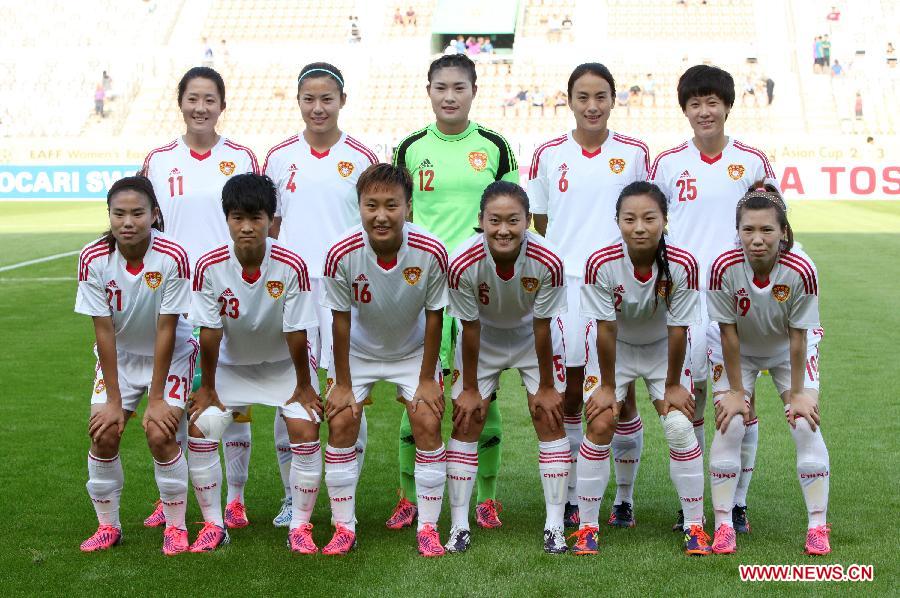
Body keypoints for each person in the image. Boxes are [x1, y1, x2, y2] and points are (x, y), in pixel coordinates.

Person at [391, 54, 519, 530]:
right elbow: (395, 217)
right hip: (420, 288)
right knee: (417, 394)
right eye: (441, 87)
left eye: (459, 87)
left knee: (481, 395)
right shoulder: (408, 147)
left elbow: (511, 217)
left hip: (477, 289)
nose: (450, 96)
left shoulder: (495, 146)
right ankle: (409, 496)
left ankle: (485, 497)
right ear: (428, 91)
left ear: (473, 91)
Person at [649, 64, 778, 533]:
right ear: (684, 109)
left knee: (741, 402)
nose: (704, 111)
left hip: (736, 300)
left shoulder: (754, 162)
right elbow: (650, 229)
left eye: (712, 102)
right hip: (683, 300)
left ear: (727, 106)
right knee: (691, 405)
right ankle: (694, 505)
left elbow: (772, 230)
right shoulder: (666, 164)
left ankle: (736, 502)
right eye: (695, 103)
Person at [528, 63, 650, 529]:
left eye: (601, 96)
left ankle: (623, 497)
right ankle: (580, 494)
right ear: (570, 100)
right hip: (566, 288)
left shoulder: (636, 153)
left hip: (619, 285)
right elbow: (541, 222)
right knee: (572, 391)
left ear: (613, 100)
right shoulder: (547, 153)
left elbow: (648, 218)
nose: (592, 105)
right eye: (583, 96)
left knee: (622, 393)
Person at [141, 66, 259, 531]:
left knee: (231, 399)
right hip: (172, 298)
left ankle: (235, 498)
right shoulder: (158, 160)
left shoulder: (242, 156)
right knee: (176, 399)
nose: (200, 108)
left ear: (222, 106)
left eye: (210, 99)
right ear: (181, 102)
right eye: (193, 98)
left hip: (227, 295)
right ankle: (170, 495)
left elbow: (258, 225)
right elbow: (148, 228)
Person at [263, 62, 377, 527]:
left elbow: (375, 227)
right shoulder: (277, 157)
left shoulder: (364, 157)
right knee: (291, 392)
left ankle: (341, 496)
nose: (317, 107)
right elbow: (270, 227)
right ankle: (294, 495)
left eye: (326, 98)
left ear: (342, 101)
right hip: (292, 294)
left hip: (345, 294)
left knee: (348, 391)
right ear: (298, 102)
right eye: (309, 99)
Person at [320, 163, 449, 556]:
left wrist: (428, 378)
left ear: (408, 207)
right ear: (358, 207)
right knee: (341, 421)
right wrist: (342, 384)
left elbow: (435, 316)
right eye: (370, 205)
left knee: (427, 420)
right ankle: (344, 527)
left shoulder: (431, 250)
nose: (380, 215)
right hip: (357, 352)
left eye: (391, 205)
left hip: (411, 353)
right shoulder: (340, 253)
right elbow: (339, 322)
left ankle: (427, 527)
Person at [188, 173, 320, 552]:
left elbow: (297, 332)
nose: (247, 227)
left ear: (271, 219)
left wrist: (304, 386)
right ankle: (214, 525)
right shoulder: (209, 265)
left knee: (305, 429)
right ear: (226, 219)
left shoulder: (291, 263)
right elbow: (209, 332)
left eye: (256, 218)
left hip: (284, 367)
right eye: (237, 218)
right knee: (202, 428)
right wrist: (209, 388)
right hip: (231, 367)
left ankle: (300, 526)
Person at [576, 181, 707, 556]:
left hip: (663, 350)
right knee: (601, 420)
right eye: (629, 218)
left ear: (665, 220)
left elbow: (678, 327)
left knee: (681, 425)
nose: (639, 227)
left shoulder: (683, 263)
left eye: (649, 218)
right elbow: (606, 328)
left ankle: (694, 525)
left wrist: (672, 385)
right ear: (617, 221)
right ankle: (587, 526)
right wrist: (607, 386)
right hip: (614, 348)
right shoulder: (600, 262)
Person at [444, 182, 568, 554]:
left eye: (513, 220)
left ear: (528, 221)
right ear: (480, 221)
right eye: (494, 220)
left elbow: (543, 325)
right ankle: (459, 525)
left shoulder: (549, 260)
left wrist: (546, 386)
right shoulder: (462, 262)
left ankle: (554, 526)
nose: (503, 229)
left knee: (550, 416)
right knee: (467, 417)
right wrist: (469, 387)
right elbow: (469, 326)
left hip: (534, 339)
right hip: (482, 340)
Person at [706, 184, 830, 555]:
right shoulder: (723, 267)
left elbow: (797, 338)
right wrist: (734, 393)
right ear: (738, 231)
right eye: (748, 230)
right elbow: (727, 333)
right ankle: (724, 524)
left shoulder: (801, 269)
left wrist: (797, 395)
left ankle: (818, 526)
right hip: (737, 349)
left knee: (805, 422)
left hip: (786, 349)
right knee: (732, 422)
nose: (757, 239)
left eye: (767, 230)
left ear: (783, 232)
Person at [76, 176, 197, 555]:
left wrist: (156, 397)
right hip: (121, 358)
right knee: (104, 433)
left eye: (137, 213)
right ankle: (108, 527)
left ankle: (176, 527)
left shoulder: (173, 256)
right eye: (119, 214)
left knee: (160, 434)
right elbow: (104, 332)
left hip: (171, 352)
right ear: (109, 215)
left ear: (154, 215)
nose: (128, 222)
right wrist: (115, 401)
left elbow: (167, 327)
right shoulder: (92, 258)